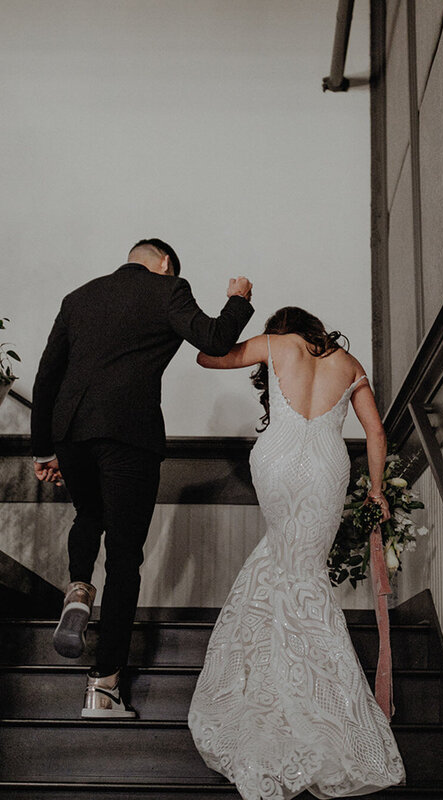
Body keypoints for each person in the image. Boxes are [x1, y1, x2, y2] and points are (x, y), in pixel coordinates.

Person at [186, 307, 405, 799]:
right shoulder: (348, 363)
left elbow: (206, 357)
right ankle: (311, 683)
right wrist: (376, 491)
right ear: (315, 328)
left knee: (281, 555)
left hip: (278, 459)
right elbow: (375, 432)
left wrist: (230, 318)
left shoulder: (275, 343)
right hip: (327, 467)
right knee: (304, 567)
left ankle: (270, 667)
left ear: (283, 328)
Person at [31, 238, 254, 718]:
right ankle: (104, 686)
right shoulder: (169, 289)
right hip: (128, 434)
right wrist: (239, 299)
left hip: (71, 431)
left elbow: (47, 375)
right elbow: (214, 339)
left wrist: (45, 448)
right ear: (165, 263)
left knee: (88, 513)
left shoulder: (79, 296)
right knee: (125, 559)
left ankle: (76, 589)